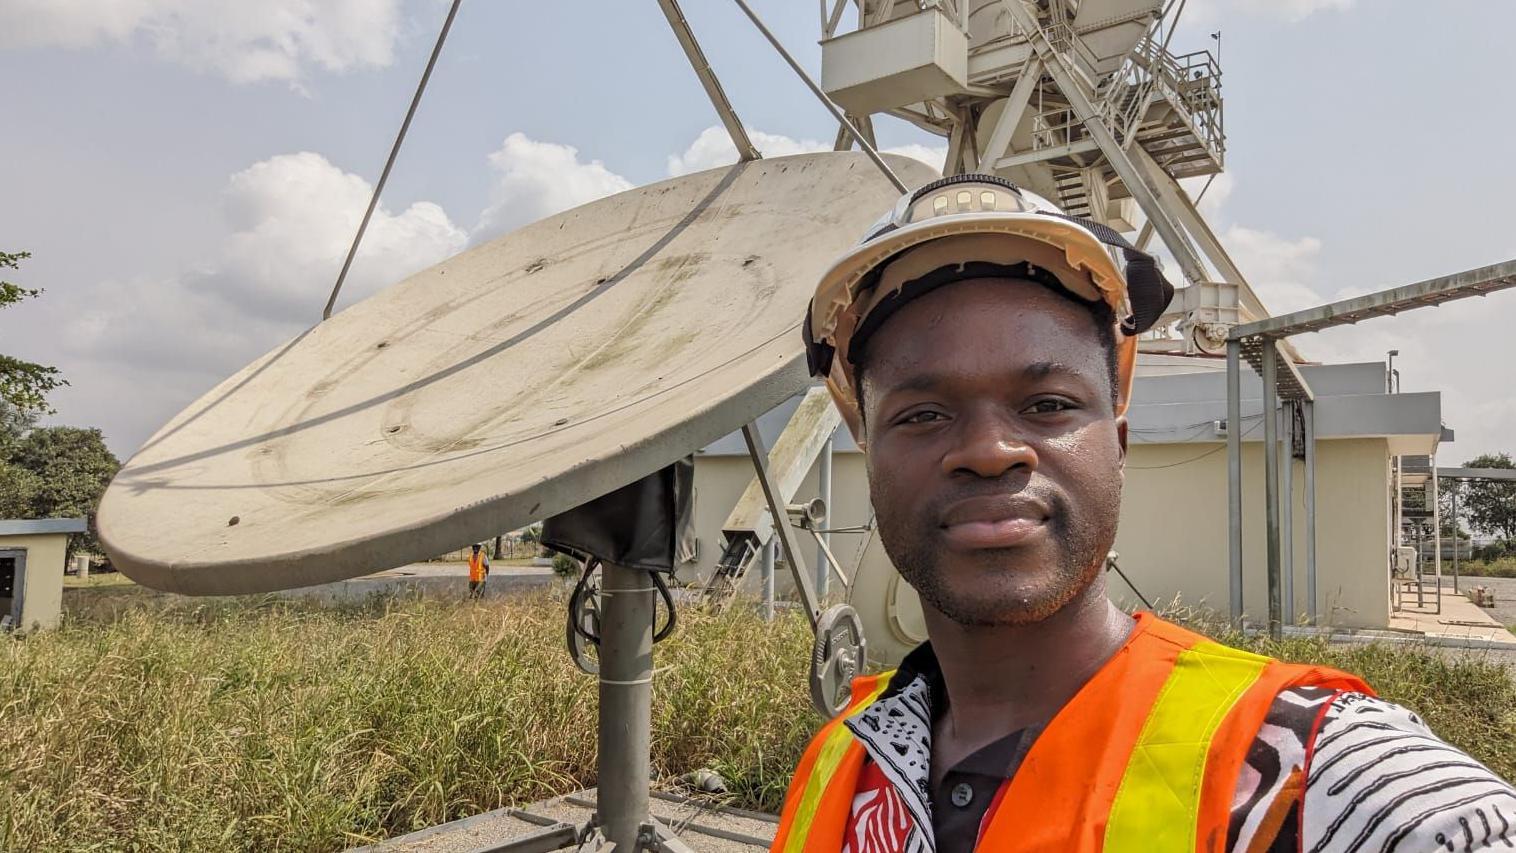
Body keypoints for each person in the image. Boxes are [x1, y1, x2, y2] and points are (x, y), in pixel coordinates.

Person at [773, 174, 1516, 852]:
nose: (991, 450)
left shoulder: (1306, 768)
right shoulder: (840, 764)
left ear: (1118, 442)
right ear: (866, 455)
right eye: (924, 413)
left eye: (1048, 405)